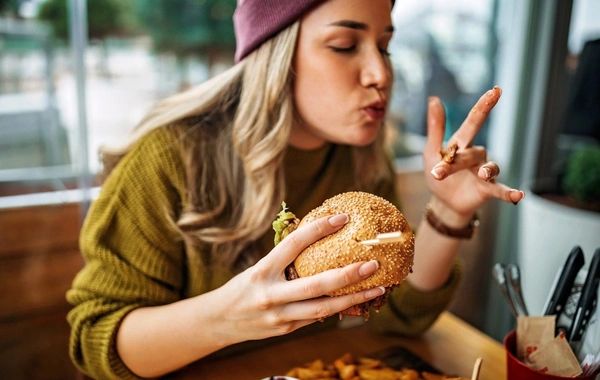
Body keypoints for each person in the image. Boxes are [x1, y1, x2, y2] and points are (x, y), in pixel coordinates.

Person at [67, 0, 525, 378]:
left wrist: (449, 213)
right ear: (276, 56)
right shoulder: (170, 158)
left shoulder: (361, 159)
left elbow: (400, 315)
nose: (380, 74)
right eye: (345, 45)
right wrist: (226, 317)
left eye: (384, 47)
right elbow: (94, 341)